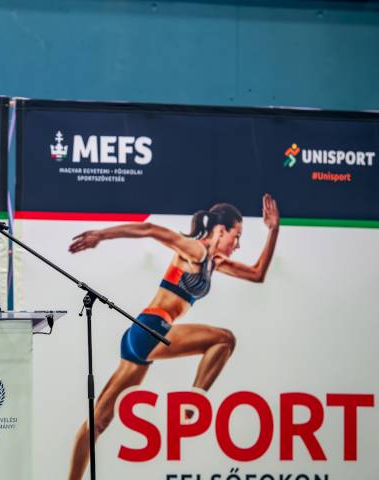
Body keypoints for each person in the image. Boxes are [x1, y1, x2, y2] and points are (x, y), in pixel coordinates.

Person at [66, 194, 279, 480]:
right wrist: (101, 235)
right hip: (152, 329)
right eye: (236, 236)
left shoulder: (214, 261)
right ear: (221, 230)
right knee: (225, 339)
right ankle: (192, 404)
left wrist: (273, 230)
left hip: (139, 338)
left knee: (99, 422)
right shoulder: (195, 250)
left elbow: (257, 274)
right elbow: (150, 230)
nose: (237, 244)